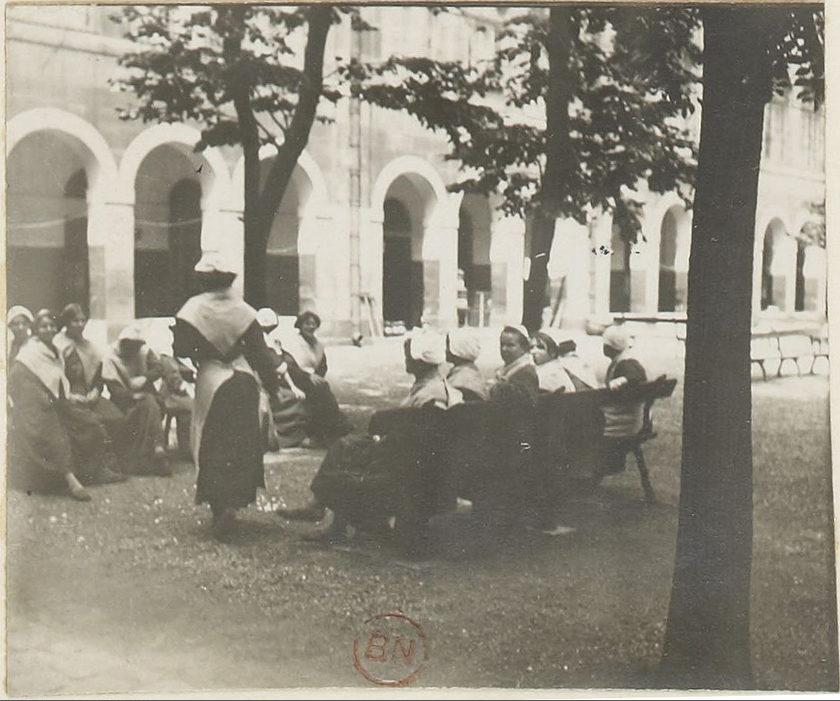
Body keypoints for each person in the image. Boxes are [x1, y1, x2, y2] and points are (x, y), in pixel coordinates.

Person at [279, 330, 462, 542]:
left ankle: (328, 520)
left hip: (410, 464)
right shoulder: (435, 387)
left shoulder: (429, 396)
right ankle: (323, 512)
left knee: (347, 452)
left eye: (408, 355)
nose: (405, 359)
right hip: (418, 460)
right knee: (348, 447)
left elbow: (412, 435)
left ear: (420, 360)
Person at [173, 252, 281, 538]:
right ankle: (233, 503)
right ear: (229, 281)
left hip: (212, 381)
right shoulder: (244, 311)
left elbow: (181, 348)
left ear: (202, 280)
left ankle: (219, 506)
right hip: (242, 380)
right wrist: (272, 387)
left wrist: (203, 351)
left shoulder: (191, 310)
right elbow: (260, 354)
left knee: (212, 441)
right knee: (242, 443)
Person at [8, 310, 99, 501]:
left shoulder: (55, 350)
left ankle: (89, 471)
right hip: (31, 402)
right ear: (36, 329)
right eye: (43, 326)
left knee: (86, 420)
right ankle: (70, 479)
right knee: (50, 426)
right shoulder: (30, 350)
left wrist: (67, 397)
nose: (48, 329)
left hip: (53, 399)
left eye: (51, 326)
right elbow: (16, 377)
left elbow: (57, 379)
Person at [102, 324, 170, 476]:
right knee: (150, 404)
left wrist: (145, 378)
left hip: (146, 395)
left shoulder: (144, 351)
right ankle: (157, 448)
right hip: (123, 402)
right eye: (130, 347)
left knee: (150, 403)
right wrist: (132, 396)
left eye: (136, 347)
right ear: (122, 344)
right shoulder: (110, 357)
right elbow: (114, 389)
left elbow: (159, 368)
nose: (133, 351)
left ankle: (152, 453)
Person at [277, 311, 353, 448]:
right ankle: (322, 433)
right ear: (300, 325)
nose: (311, 327)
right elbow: (289, 366)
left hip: (311, 380)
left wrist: (317, 376)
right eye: (307, 324)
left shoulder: (318, 345)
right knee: (321, 392)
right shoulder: (292, 343)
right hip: (294, 378)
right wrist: (308, 376)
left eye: (313, 324)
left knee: (322, 388)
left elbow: (323, 366)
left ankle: (329, 430)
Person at [599, 325, 648, 475]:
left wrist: (620, 381)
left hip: (624, 422)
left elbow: (634, 377)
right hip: (632, 418)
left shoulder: (626, 363)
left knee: (584, 422)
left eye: (606, 344)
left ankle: (593, 469)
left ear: (612, 347)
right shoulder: (625, 360)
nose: (603, 347)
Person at [489, 325, 540, 404]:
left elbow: (521, 402)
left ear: (524, 348)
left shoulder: (526, 372)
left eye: (510, 345)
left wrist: (493, 388)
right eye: (502, 344)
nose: (504, 349)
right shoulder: (505, 369)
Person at [445, 327, 487, 401]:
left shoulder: (462, 382)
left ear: (459, 350)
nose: (446, 350)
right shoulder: (471, 371)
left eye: (448, 345)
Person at [531, 329, 577, 394]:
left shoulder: (551, 372)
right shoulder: (539, 369)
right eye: (531, 347)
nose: (533, 351)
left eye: (540, 347)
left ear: (553, 352)